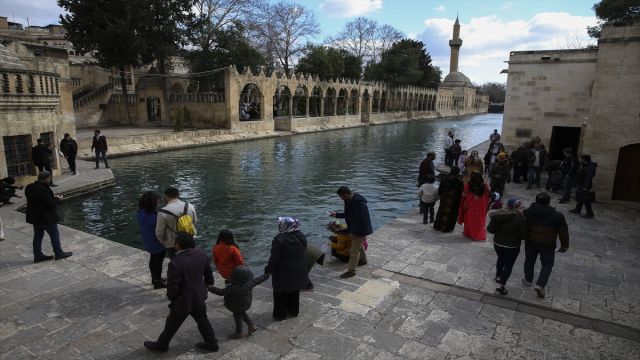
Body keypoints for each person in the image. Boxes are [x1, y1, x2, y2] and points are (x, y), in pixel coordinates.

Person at [144, 232, 218, 352]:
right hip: (199, 297)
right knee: (203, 321)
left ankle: (162, 345)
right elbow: (209, 276)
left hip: (182, 301)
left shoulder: (175, 263)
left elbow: (172, 287)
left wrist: (173, 299)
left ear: (178, 245)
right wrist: (205, 288)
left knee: (171, 324)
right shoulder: (201, 254)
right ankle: (212, 343)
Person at [523, 192, 569, 298]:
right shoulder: (557, 216)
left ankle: (528, 280)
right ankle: (540, 285)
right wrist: (564, 246)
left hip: (531, 242)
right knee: (547, 264)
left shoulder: (527, 212)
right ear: (549, 202)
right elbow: (563, 232)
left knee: (529, 261)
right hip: (548, 244)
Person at [264, 217, 309, 321]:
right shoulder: (301, 236)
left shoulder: (279, 240)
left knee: (280, 293)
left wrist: (268, 270)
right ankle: (294, 311)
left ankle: (280, 314)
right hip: (299, 270)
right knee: (294, 291)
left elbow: (274, 259)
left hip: (283, 273)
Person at [208, 266, 269, 339]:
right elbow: (259, 279)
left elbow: (221, 292)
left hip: (235, 306)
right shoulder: (250, 283)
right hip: (246, 304)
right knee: (242, 313)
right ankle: (251, 326)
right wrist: (267, 275)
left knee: (237, 318)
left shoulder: (232, 288)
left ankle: (239, 333)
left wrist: (211, 288)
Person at [25, 171, 72, 263]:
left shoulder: (29, 187)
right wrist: (57, 199)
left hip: (35, 217)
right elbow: (49, 204)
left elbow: (36, 199)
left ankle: (37, 255)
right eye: (50, 179)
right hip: (46, 217)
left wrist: (51, 196)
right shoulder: (43, 189)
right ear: (47, 178)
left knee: (38, 236)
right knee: (54, 235)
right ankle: (59, 253)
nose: (50, 180)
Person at [329, 186, 373, 279]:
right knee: (358, 245)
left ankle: (351, 271)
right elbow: (348, 214)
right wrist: (336, 214)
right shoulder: (348, 200)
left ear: (345, 194)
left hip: (361, 229)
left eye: (341, 197)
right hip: (355, 227)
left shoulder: (359, 203)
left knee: (354, 250)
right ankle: (363, 260)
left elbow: (360, 220)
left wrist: (354, 232)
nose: (341, 199)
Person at [487, 198, 527, 295]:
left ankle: (498, 276)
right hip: (512, 246)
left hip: (497, 243)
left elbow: (490, 229)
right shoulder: (521, 218)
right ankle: (501, 286)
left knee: (500, 258)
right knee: (508, 265)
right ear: (518, 207)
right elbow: (523, 235)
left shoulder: (498, 215)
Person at [156, 187, 197, 259]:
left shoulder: (162, 212)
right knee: (192, 261)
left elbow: (159, 232)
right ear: (178, 195)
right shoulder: (190, 206)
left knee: (177, 265)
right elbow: (194, 222)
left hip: (173, 244)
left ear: (165, 196)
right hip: (190, 240)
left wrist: (166, 243)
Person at [137, 191, 167, 289]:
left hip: (148, 241)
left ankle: (154, 278)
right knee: (158, 261)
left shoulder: (140, 213)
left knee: (153, 259)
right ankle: (158, 281)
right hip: (157, 242)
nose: (159, 203)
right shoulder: (154, 217)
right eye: (157, 201)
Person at [458, 171, 490, 241]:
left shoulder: (468, 185)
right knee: (479, 220)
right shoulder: (484, 185)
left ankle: (468, 233)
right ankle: (477, 235)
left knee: (469, 219)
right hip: (481, 205)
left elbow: (464, 196)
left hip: (470, 205)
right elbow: (487, 195)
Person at [434, 166, 464, 233]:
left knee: (442, 211)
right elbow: (461, 191)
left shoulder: (445, 178)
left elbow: (440, 188)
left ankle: (438, 226)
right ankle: (447, 228)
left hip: (444, 198)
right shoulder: (459, 180)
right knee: (451, 214)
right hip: (454, 200)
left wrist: (440, 194)